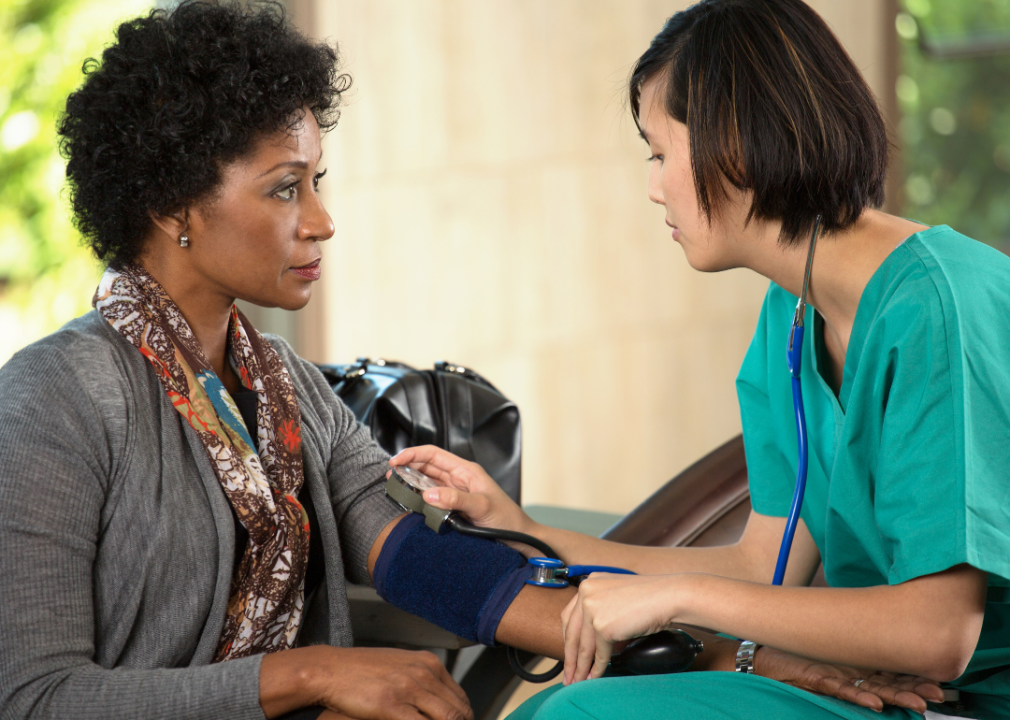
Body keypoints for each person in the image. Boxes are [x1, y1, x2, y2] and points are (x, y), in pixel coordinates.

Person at [0, 1, 963, 719]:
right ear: (172, 207)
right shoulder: (57, 400)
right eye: (285, 190)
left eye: (317, 182)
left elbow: (434, 566)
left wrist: (736, 660)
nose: (323, 220)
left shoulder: (285, 389)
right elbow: (35, 693)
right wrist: (313, 672)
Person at [393, 0, 1010, 718]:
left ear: (737, 141)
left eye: (659, 153)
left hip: (971, 699)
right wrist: (524, 529)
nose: (653, 187)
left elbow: (940, 631)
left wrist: (678, 598)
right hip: (890, 697)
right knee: (544, 713)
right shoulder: (793, 309)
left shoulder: (940, 308)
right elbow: (760, 567)